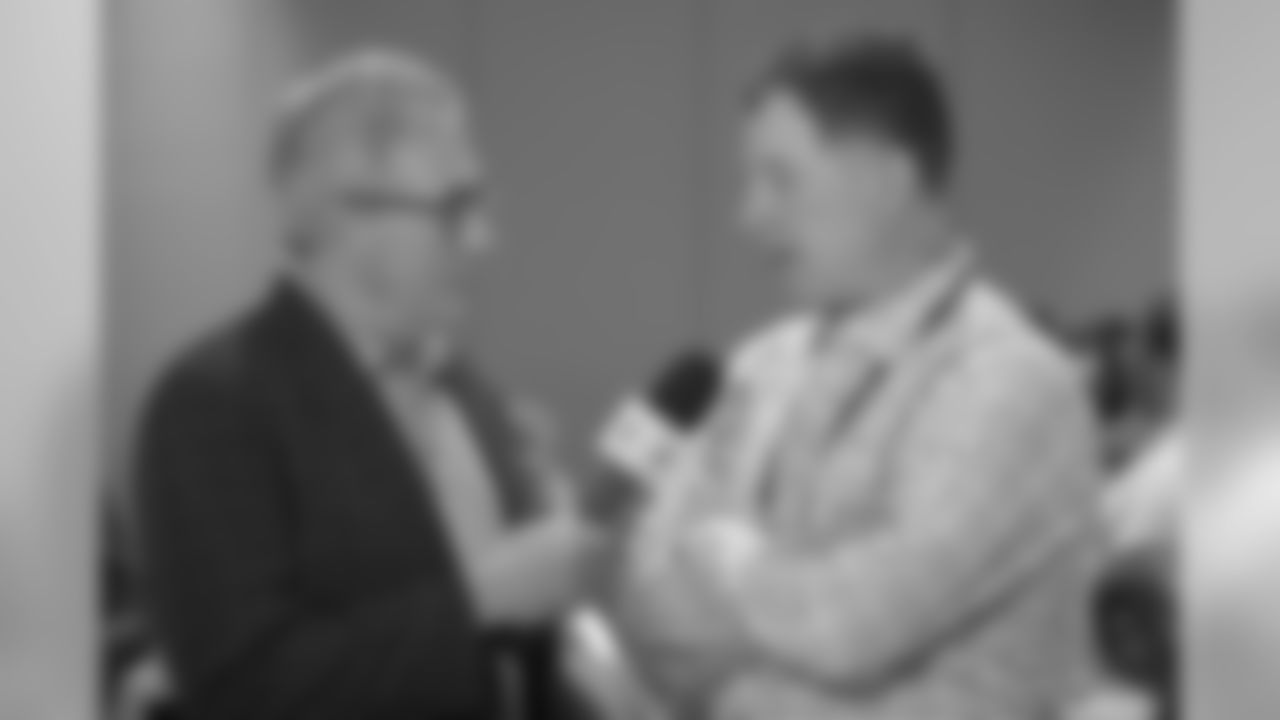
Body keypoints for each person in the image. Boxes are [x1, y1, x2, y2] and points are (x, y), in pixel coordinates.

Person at [607, 35, 1105, 720]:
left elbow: (850, 627)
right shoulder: (761, 363)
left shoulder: (1011, 382)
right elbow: (646, 591)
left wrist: (726, 598)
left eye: (781, 179)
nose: (749, 215)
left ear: (888, 183)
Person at [134, 50, 603, 720]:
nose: (483, 239)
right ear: (346, 216)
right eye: (455, 207)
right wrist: (480, 599)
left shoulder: (466, 389)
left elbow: (514, 668)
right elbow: (242, 688)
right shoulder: (213, 405)